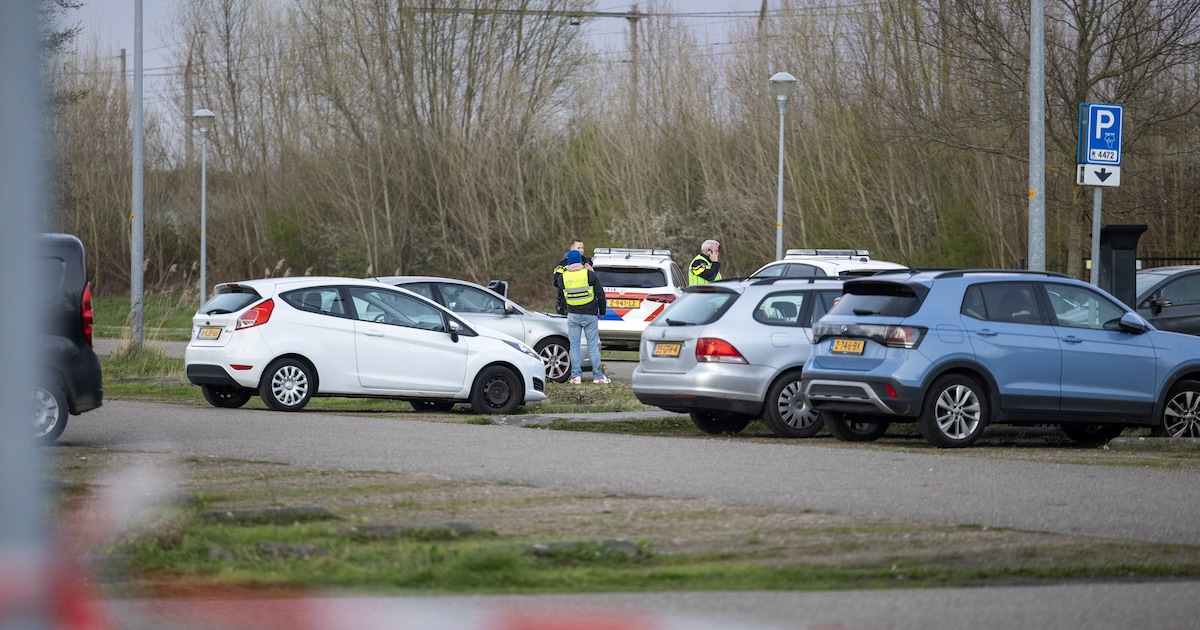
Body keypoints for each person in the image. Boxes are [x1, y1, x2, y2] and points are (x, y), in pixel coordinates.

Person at [554, 249, 609, 384]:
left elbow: (559, 292)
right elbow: (600, 294)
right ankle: (598, 377)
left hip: (573, 315)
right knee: (592, 346)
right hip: (590, 314)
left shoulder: (563, 277)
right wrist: (602, 311)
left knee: (574, 346)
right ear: (580, 261)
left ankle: (576, 377)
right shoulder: (589, 275)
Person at [553, 239, 593, 314]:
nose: (581, 250)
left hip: (585, 304)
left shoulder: (587, 262)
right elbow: (556, 281)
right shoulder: (563, 264)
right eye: (578, 248)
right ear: (572, 248)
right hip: (567, 304)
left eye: (582, 248)